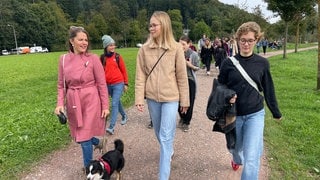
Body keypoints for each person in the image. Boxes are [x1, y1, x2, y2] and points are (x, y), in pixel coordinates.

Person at [218, 21, 282, 180]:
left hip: (255, 114)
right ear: (237, 40)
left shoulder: (262, 63)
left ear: (256, 40)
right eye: (243, 40)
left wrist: (275, 112)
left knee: (252, 158)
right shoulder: (228, 63)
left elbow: (268, 88)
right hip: (234, 114)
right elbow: (220, 85)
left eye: (250, 40)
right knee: (236, 148)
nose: (246, 44)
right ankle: (236, 159)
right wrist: (227, 95)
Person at [135, 11, 189, 180]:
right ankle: (169, 150)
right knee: (159, 132)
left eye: (154, 25)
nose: (151, 28)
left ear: (164, 26)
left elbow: (181, 76)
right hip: (152, 97)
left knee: (165, 136)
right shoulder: (144, 50)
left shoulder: (176, 48)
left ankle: (163, 176)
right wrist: (138, 98)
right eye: (150, 25)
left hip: (171, 98)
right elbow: (140, 75)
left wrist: (185, 100)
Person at [55, 26, 110, 169]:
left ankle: (88, 169)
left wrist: (105, 105)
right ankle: (98, 142)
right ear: (72, 41)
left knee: (84, 138)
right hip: (73, 101)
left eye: (86, 40)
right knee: (79, 136)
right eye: (80, 39)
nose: (84, 42)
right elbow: (61, 85)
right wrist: (60, 104)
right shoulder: (63, 60)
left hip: (91, 100)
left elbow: (102, 84)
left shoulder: (93, 59)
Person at [100, 35, 129, 135]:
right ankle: (124, 115)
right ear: (106, 46)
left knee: (114, 103)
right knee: (117, 102)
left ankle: (111, 127)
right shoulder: (102, 58)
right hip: (108, 85)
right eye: (110, 45)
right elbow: (100, 72)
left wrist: (126, 83)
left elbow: (123, 70)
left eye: (113, 45)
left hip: (118, 83)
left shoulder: (117, 57)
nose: (113, 47)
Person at [178, 35, 200, 132]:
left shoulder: (193, 54)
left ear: (189, 44)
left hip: (189, 80)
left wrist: (189, 65)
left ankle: (187, 122)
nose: (181, 46)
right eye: (180, 44)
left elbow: (197, 68)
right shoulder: (177, 54)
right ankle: (182, 117)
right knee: (178, 102)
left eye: (183, 44)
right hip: (178, 81)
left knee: (189, 103)